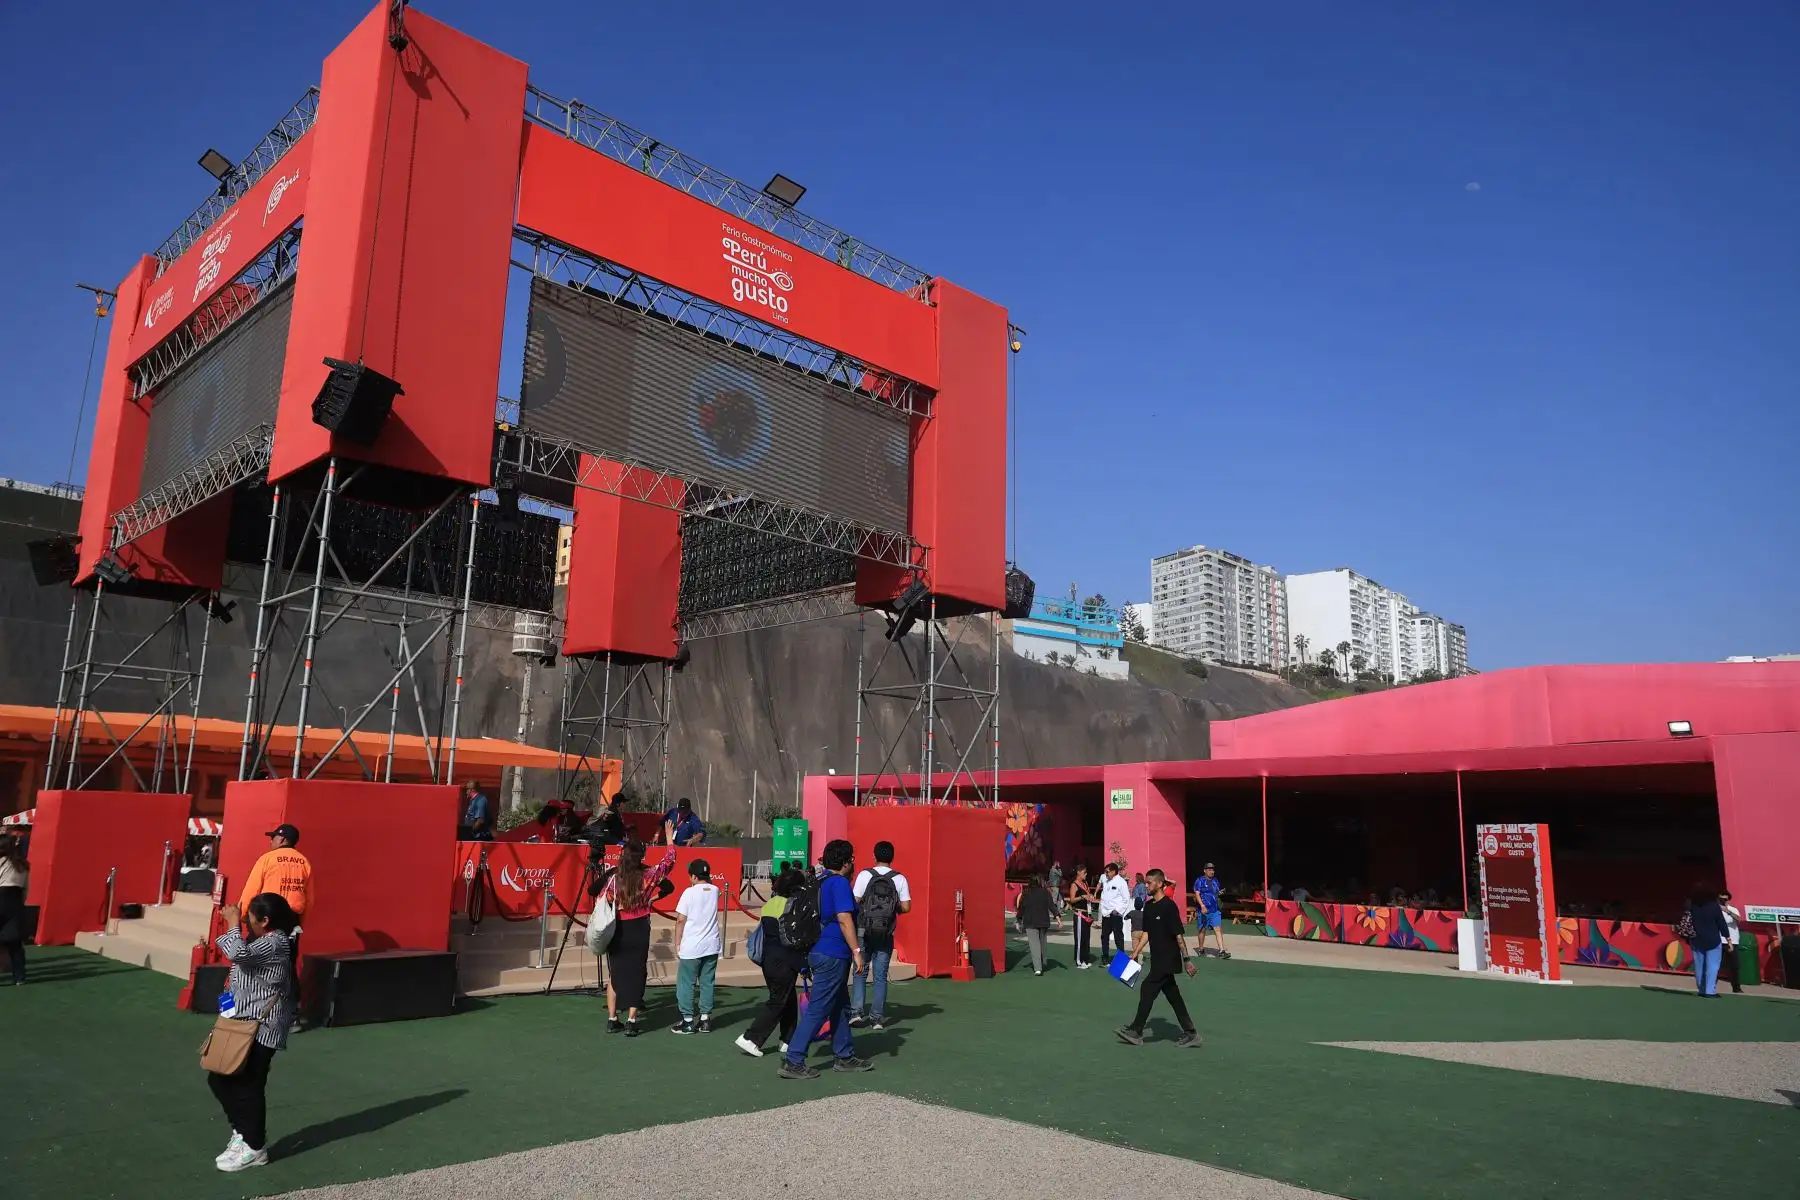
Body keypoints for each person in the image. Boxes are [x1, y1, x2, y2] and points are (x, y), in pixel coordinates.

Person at [206, 892, 301, 1173]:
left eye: (249, 920)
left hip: (262, 1026)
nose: (246, 924)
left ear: (266, 920)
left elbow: (238, 954)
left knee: (248, 1085)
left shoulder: (277, 942)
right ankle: (242, 1133)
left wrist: (232, 922)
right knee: (219, 1078)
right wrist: (226, 1008)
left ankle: (255, 1147)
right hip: (240, 1021)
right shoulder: (261, 939)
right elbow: (238, 968)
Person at [780, 839, 873, 1079]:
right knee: (818, 1008)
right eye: (851, 858)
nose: (853, 862)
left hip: (817, 950)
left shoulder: (818, 881)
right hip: (833, 953)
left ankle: (844, 1055)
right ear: (845, 862)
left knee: (840, 1006)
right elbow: (844, 918)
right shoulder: (839, 883)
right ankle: (794, 1058)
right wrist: (856, 951)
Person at [595, 839, 676, 1035]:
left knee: (616, 972)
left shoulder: (615, 878)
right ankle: (631, 1020)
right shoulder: (649, 874)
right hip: (639, 927)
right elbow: (669, 861)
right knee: (637, 972)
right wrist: (670, 840)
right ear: (641, 857)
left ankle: (612, 1019)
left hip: (619, 928)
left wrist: (619, 904)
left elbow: (601, 899)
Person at [1116, 868, 1200, 1048]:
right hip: (1157, 958)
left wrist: (1187, 960)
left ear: (1160, 884)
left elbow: (1178, 935)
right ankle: (1191, 1032)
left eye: (1149, 883)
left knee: (1147, 988)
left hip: (1168, 959)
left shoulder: (1169, 906)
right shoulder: (1149, 906)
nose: (1146, 886)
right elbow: (1147, 933)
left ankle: (1136, 1031)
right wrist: (1136, 952)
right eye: (1145, 882)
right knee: (1173, 995)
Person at [738, 865, 807, 1057]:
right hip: (784, 962)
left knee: (788, 999)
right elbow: (795, 937)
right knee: (777, 1002)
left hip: (769, 960)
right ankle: (751, 1038)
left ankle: (788, 1039)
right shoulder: (793, 907)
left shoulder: (770, 904)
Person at [851, 840, 911, 1030]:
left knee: (860, 972)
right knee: (880, 976)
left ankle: (856, 1012)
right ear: (892, 857)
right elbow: (907, 907)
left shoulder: (865, 875)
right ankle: (877, 1018)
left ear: (874, 856)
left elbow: (855, 900)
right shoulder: (899, 879)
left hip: (864, 930)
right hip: (886, 932)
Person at [671, 859, 722, 1035]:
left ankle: (687, 1021)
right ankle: (705, 1019)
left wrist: (677, 942)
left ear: (693, 876)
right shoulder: (715, 890)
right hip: (712, 945)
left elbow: (680, 919)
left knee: (686, 984)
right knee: (707, 982)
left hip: (692, 946)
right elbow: (710, 887)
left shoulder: (689, 893)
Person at [238, 824, 312, 919]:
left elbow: (252, 889)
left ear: (282, 839)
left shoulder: (267, 859)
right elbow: (310, 898)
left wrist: (243, 914)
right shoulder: (304, 862)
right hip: (293, 916)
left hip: (269, 915)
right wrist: (301, 922)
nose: (271, 841)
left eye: (273, 837)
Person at [1681, 887, 1732, 999]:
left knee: (1699, 966)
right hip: (1713, 939)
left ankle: (1701, 989)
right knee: (1712, 966)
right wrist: (1728, 939)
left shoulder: (1691, 905)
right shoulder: (1714, 906)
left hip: (1696, 939)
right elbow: (1721, 923)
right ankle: (1710, 991)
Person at [1014, 874, 1058, 975]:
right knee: (1042, 943)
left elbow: (1022, 907)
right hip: (1043, 921)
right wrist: (1057, 916)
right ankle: (1043, 962)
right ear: (1040, 882)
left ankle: (1038, 968)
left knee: (1034, 945)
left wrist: (1018, 918)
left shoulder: (1026, 893)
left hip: (1030, 921)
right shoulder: (1045, 892)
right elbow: (1050, 904)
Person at [0, 834, 29, 986]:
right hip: (15, 902)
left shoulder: (1, 862)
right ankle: (19, 977)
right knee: (15, 943)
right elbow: (25, 890)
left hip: (1, 897)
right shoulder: (23, 865)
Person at [1192, 862, 1229, 959]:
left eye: (1213, 870)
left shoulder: (1215, 881)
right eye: (1209, 870)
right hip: (1203, 910)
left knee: (1218, 929)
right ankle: (1200, 949)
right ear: (1205, 871)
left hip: (1215, 910)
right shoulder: (1200, 880)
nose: (1212, 871)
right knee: (1202, 930)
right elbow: (1197, 894)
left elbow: (1216, 893)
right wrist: (1202, 905)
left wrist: (1220, 892)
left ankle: (1221, 950)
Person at [1097, 862, 1133, 961]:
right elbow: (1104, 896)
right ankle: (1105, 956)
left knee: (1118, 937)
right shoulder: (1106, 881)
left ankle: (1121, 958)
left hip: (1115, 914)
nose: (1106, 874)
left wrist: (1118, 911)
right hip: (1106, 914)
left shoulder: (1121, 882)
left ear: (1113, 871)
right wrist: (1103, 910)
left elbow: (1126, 898)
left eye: (1107, 872)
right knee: (1104, 936)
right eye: (1105, 872)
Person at [1067, 865, 1097, 968]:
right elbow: (1071, 900)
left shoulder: (1085, 883)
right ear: (1079, 872)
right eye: (1084, 872)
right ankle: (1079, 961)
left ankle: (1085, 959)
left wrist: (1091, 896)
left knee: (1086, 938)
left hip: (1087, 913)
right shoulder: (1074, 885)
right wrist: (1081, 897)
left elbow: (1088, 894)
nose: (1086, 874)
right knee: (1079, 938)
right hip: (1079, 914)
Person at [1719, 891, 1744, 995]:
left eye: (1725, 899)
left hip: (1733, 941)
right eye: (1720, 899)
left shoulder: (1734, 910)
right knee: (1716, 965)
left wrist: (1728, 911)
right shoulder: (1715, 909)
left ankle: (1736, 987)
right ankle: (1711, 987)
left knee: (1735, 965)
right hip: (1719, 940)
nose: (1722, 901)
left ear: (1728, 899)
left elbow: (1738, 920)